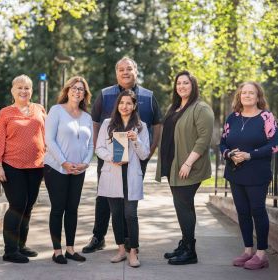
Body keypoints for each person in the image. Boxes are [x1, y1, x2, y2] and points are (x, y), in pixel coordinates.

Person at [82, 56, 162, 254]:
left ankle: (128, 240)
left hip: (136, 157)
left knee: (129, 200)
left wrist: (150, 150)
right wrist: (101, 152)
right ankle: (98, 236)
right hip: (110, 159)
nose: (125, 73)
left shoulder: (148, 96)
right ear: (116, 73)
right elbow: (95, 123)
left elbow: (157, 124)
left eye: (129, 69)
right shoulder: (105, 94)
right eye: (121, 70)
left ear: (136, 71)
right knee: (105, 198)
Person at [156, 70, 214, 265]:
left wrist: (188, 162)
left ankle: (190, 251)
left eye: (186, 83)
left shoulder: (201, 108)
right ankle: (185, 244)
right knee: (182, 206)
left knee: (184, 207)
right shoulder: (175, 108)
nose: (181, 86)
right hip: (174, 165)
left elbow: (204, 139)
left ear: (193, 86)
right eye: (179, 83)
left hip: (188, 166)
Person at [219, 81, 278, 270]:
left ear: (258, 96)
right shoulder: (232, 118)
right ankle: (248, 251)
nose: (246, 95)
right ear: (239, 96)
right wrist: (230, 154)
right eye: (243, 92)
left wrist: (249, 155)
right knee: (243, 212)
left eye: (251, 93)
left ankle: (261, 254)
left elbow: (275, 145)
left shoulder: (266, 117)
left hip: (257, 173)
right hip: (235, 172)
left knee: (257, 210)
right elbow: (222, 144)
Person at [0, 74, 46, 263]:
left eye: (27, 88)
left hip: (36, 165)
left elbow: (45, 135)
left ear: (31, 91)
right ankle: (10, 251)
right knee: (17, 205)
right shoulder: (5, 113)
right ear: (12, 90)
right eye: (19, 88)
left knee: (28, 206)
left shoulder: (39, 109)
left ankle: (21, 245)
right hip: (12, 165)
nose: (23, 91)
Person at [95, 90, 150, 267]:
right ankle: (120, 250)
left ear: (134, 106)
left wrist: (136, 140)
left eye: (128, 103)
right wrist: (112, 158)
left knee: (130, 215)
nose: (124, 106)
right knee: (117, 214)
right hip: (112, 174)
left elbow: (144, 154)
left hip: (131, 176)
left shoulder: (141, 126)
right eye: (121, 103)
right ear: (117, 105)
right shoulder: (107, 124)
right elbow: (99, 149)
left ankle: (133, 251)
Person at [43, 76, 93, 264]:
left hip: (79, 170)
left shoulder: (87, 117)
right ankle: (57, 251)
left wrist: (86, 163)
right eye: (74, 87)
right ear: (67, 90)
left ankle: (70, 249)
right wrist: (64, 162)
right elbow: (49, 140)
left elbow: (90, 146)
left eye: (81, 89)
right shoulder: (56, 111)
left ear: (84, 94)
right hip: (56, 168)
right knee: (58, 209)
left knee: (72, 209)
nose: (77, 91)